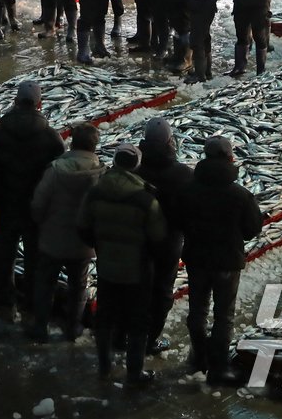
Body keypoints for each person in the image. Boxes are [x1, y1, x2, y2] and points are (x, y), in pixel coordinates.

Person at [77, 142, 165, 385]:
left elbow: (82, 226)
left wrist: (101, 246)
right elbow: (159, 237)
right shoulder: (145, 199)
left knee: (104, 319)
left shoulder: (95, 192)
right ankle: (134, 373)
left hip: (107, 268)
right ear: (136, 166)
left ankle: (104, 367)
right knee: (138, 322)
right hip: (137, 270)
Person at [177, 136, 262, 386]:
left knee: (198, 310)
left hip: (197, 259)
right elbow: (252, 228)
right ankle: (219, 368)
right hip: (227, 262)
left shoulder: (188, 190)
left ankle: (198, 358)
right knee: (223, 316)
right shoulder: (240, 195)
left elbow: (178, 221)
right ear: (229, 158)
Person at [0, 81, 63, 308]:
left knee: (4, 255)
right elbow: (57, 175)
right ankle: (31, 303)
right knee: (34, 257)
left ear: (15, 102)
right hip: (36, 210)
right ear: (40, 104)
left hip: (4, 206)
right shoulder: (51, 138)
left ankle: (5, 300)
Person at [27, 125, 102, 343]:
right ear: (94, 145)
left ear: (72, 142)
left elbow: (38, 203)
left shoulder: (55, 170)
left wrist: (42, 224)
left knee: (45, 283)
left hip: (52, 240)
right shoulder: (101, 172)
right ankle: (73, 328)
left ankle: (40, 327)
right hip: (83, 244)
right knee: (78, 286)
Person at [136, 119, 192, 357]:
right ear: (170, 142)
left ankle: (125, 334)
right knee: (162, 291)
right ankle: (148, 340)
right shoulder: (184, 174)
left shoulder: (135, 170)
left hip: (138, 240)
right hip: (169, 243)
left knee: (136, 286)